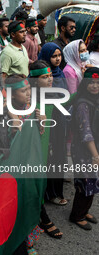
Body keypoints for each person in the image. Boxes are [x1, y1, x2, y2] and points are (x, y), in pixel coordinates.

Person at [29, 60, 68, 208]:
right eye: (45, 77)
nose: (50, 79)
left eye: (51, 75)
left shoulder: (51, 92)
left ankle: (46, 197)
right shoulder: (30, 98)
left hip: (51, 139)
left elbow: (63, 103)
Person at [69, 67, 99, 230]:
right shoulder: (82, 104)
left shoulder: (95, 99)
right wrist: (95, 155)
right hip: (84, 149)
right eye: (90, 83)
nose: (94, 86)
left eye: (97, 83)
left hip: (95, 147)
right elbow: (85, 132)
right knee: (85, 181)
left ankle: (85, 210)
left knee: (93, 181)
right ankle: (77, 215)